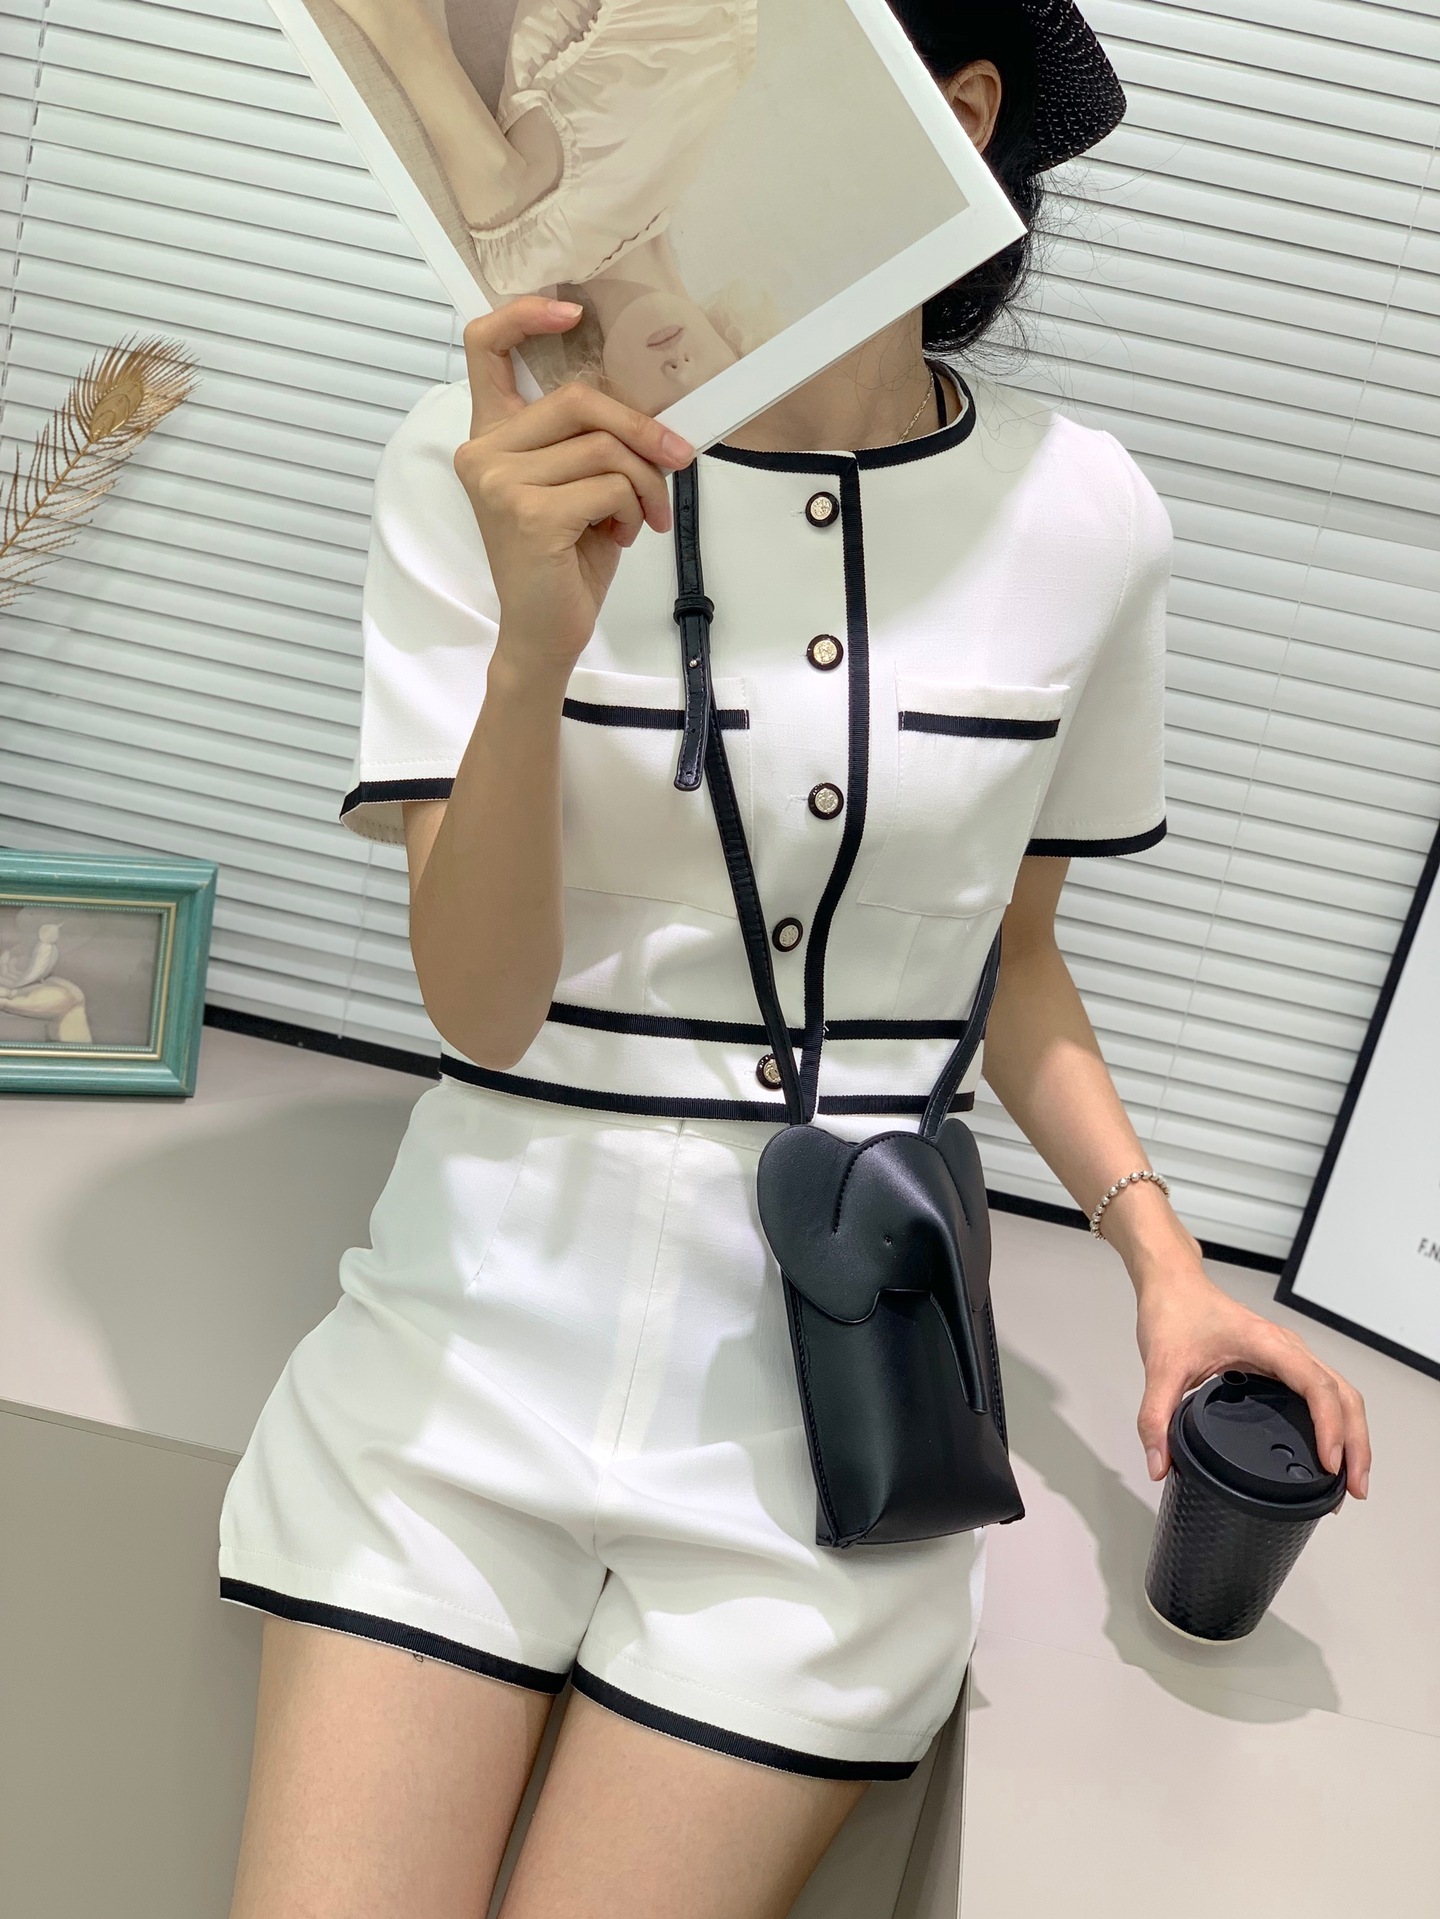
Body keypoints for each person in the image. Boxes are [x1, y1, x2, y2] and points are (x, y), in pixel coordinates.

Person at [218, 4, 1372, 1914]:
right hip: (463, 1347)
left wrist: (1169, 1270)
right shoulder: (482, 459)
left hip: (832, 1407)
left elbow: (1010, 961)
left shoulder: (1083, 517)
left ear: (958, 108)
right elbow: (480, 1004)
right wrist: (532, 642)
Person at [328, 0, 752, 408]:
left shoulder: (528, 253)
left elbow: (398, 22)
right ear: (735, 348)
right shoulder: (691, 163)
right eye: (714, 386)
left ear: (605, 398)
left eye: (666, 411)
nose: (681, 372)